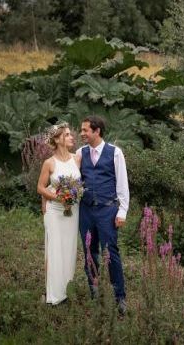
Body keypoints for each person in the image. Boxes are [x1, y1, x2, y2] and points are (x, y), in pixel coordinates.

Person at [76, 115, 130, 315]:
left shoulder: (115, 153)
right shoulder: (80, 153)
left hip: (108, 210)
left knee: (111, 253)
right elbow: (74, 179)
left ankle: (120, 297)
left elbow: (122, 184)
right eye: (81, 130)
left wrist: (122, 211)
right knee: (89, 251)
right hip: (86, 210)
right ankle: (95, 292)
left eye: (85, 130)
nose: (81, 134)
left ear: (96, 131)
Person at [37, 122, 80, 305]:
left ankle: (65, 291)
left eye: (71, 134)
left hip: (73, 211)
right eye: (68, 135)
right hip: (54, 212)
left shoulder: (77, 158)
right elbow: (40, 187)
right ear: (57, 139)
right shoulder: (49, 163)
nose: (72, 137)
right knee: (54, 250)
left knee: (69, 249)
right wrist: (55, 198)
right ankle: (53, 295)